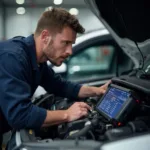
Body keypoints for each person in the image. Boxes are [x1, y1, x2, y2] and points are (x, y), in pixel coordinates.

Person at [0, 8, 110, 149]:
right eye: (65, 43)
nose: (70, 51)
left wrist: (97, 91)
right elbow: (20, 115)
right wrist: (67, 114)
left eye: (72, 44)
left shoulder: (37, 60)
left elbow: (61, 86)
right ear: (45, 37)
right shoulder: (13, 57)